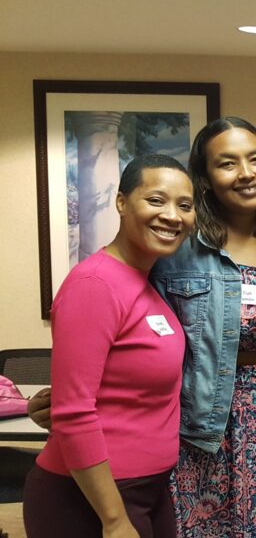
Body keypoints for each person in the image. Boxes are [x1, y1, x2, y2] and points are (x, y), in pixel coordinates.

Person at [30, 117, 256, 537]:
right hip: (201, 425)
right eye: (227, 163)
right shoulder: (179, 244)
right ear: (206, 179)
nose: (246, 173)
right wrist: (69, 402)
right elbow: (110, 332)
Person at [23, 155, 196, 538]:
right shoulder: (95, 284)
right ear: (121, 202)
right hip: (90, 499)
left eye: (184, 205)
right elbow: (74, 412)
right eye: (156, 200)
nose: (172, 215)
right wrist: (115, 520)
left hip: (147, 490)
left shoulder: (146, 283)